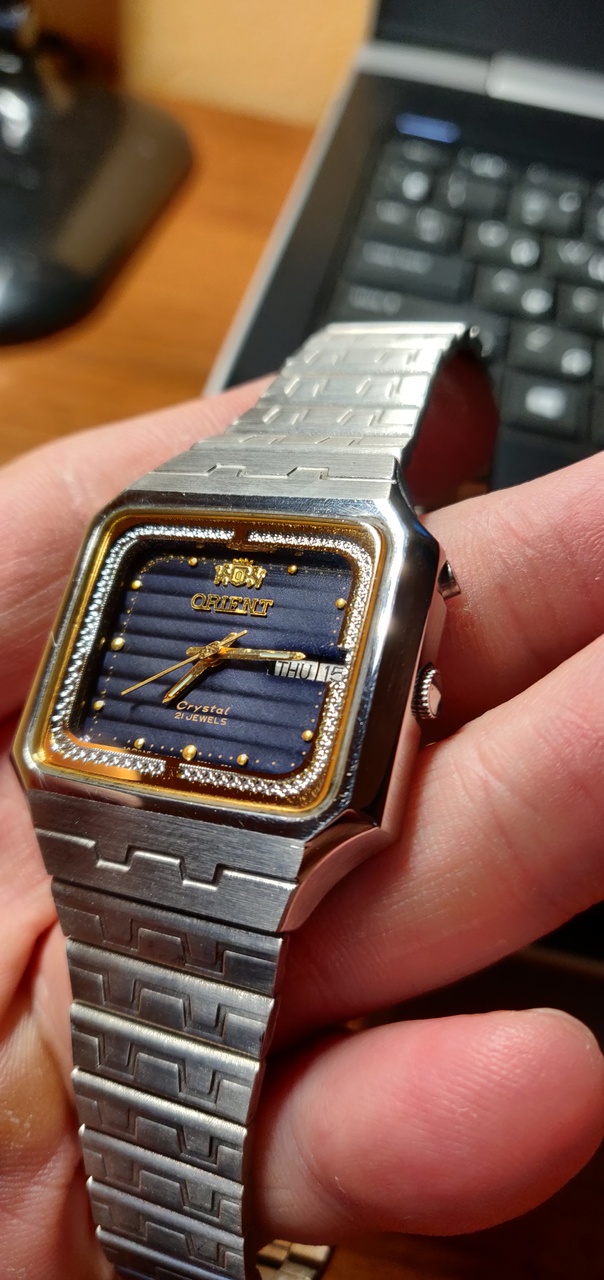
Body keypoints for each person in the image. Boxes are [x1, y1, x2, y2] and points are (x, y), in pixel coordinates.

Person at [2, 379, 604, 1279]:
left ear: (420, 692)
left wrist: (217, 657)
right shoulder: (130, 559)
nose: (216, 656)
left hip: (256, 848)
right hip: (96, 816)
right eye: (212, 654)